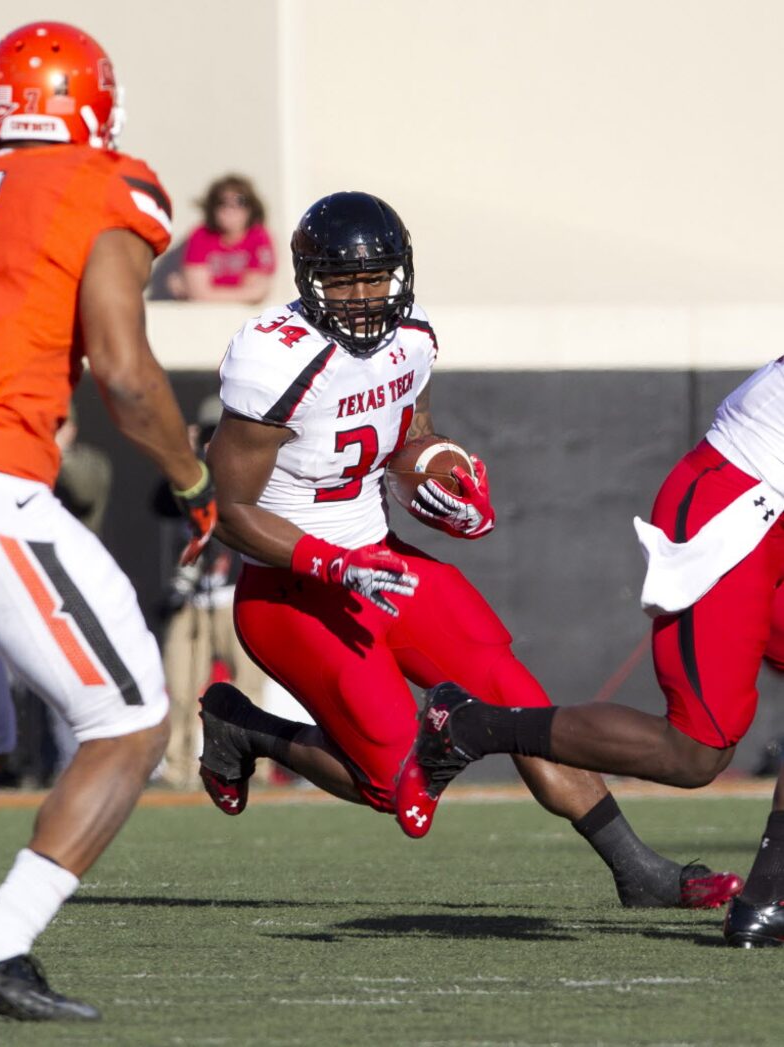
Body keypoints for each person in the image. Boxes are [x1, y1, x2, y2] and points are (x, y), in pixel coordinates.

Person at [197, 190, 740, 911]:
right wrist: (331, 561)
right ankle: (246, 726)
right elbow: (224, 509)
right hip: (294, 589)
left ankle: (637, 870)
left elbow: (408, 432)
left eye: (376, 278)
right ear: (308, 278)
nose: (363, 297)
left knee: (521, 704)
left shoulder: (412, 338)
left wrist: (441, 475)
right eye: (344, 280)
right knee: (396, 785)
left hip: (384, 565)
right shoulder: (274, 357)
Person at [0, 21, 216, 1020]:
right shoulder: (99, 180)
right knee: (128, 722)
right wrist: (194, 484)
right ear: (91, 104)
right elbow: (123, 370)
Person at [395, 353, 784, 947]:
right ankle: (473, 725)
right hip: (740, 501)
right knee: (695, 751)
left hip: (764, 499)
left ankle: (767, 899)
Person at [154, 395, 269, 789]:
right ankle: (178, 770)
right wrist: (184, 458)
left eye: (214, 434)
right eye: (204, 434)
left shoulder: (244, 467)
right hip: (191, 600)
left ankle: (253, 771)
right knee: (182, 687)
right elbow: (160, 501)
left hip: (237, 596)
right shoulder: (186, 476)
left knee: (248, 690)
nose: (208, 442)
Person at [167, 174, 275, 303]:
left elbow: (257, 292)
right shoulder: (201, 236)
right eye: (221, 202)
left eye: (240, 201)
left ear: (251, 208)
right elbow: (199, 292)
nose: (230, 209)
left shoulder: (259, 237)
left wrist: (204, 293)